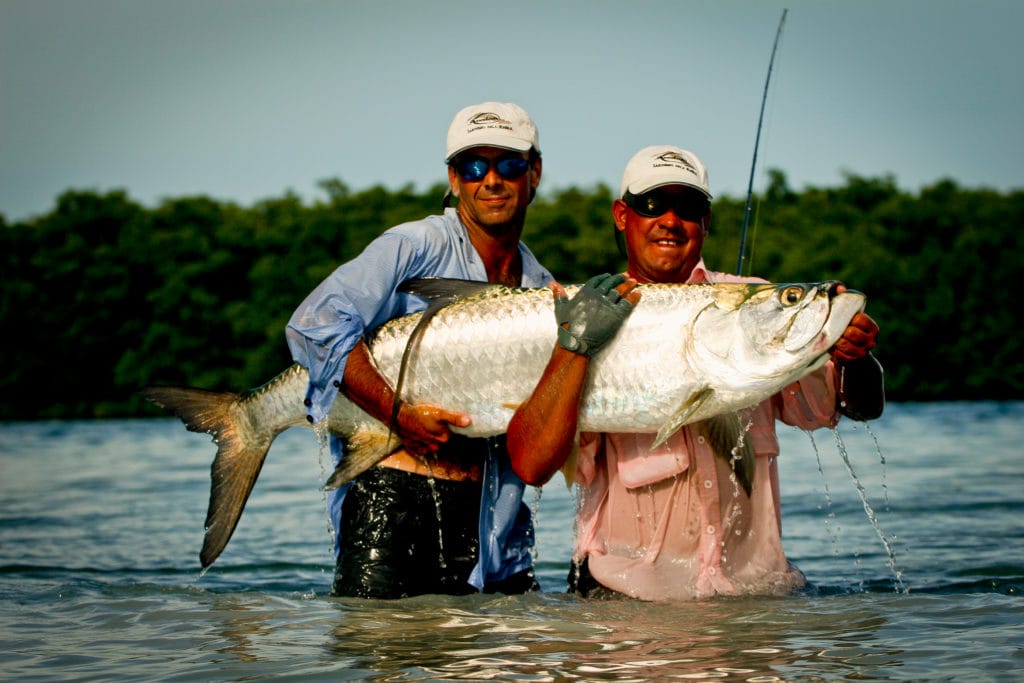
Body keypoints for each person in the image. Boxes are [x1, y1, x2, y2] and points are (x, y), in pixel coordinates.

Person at [506, 145, 882, 600]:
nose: (670, 219)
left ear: (706, 221)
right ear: (622, 215)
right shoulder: (583, 316)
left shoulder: (754, 302)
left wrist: (853, 357)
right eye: (651, 204)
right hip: (624, 606)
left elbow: (853, 408)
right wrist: (576, 347)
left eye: (688, 207)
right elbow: (533, 464)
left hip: (752, 595)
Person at [286, 101, 553, 598]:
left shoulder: (542, 287)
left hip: (494, 527)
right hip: (395, 503)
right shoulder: (415, 244)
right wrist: (399, 415)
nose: (491, 179)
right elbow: (314, 324)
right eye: (475, 165)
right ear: (455, 179)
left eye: (510, 164)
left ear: (534, 173)